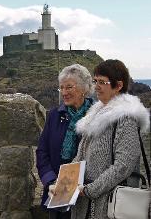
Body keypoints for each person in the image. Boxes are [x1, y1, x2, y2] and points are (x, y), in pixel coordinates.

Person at [49, 59, 150, 219]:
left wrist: (90, 190)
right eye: (95, 81)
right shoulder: (95, 114)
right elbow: (79, 157)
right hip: (87, 203)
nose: (96, 86)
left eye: (102, 82)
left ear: (118, 86)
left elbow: (124, 165)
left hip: (109, 205)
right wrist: (61, 185)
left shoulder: (126, 118)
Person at [36, 64, 94, 219]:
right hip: (58, 194)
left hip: (87, 195)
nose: (64, 93)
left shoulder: (97, 116)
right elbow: (42, 151)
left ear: (84, 89)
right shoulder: (55, 115)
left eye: (69, 87)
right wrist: (51, 181)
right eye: (61, 88)